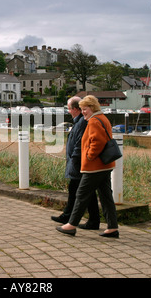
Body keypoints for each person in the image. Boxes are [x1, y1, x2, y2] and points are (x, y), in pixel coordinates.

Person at [56, 95, 119, 238]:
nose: (83, 112)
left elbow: (97, 142)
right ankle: (112, 227)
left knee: (81, 194)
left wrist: (90, 156)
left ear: (92, 108)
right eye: (82, 109)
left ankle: (71, 225)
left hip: (94, 166)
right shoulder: (102, 118)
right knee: (106, 196)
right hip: (105, 165)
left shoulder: (94, 121)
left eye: (85, 109)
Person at [51, 96, 100, 230]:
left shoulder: (82, 123)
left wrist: (75, 158)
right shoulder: (79, 122)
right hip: (77, 162)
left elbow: (81, 143)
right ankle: (87, 219)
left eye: (69, 109)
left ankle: (72, 219)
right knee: (82, 192)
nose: (68, 112)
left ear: (75, 109)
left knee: (80, 191)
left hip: (79, 163)